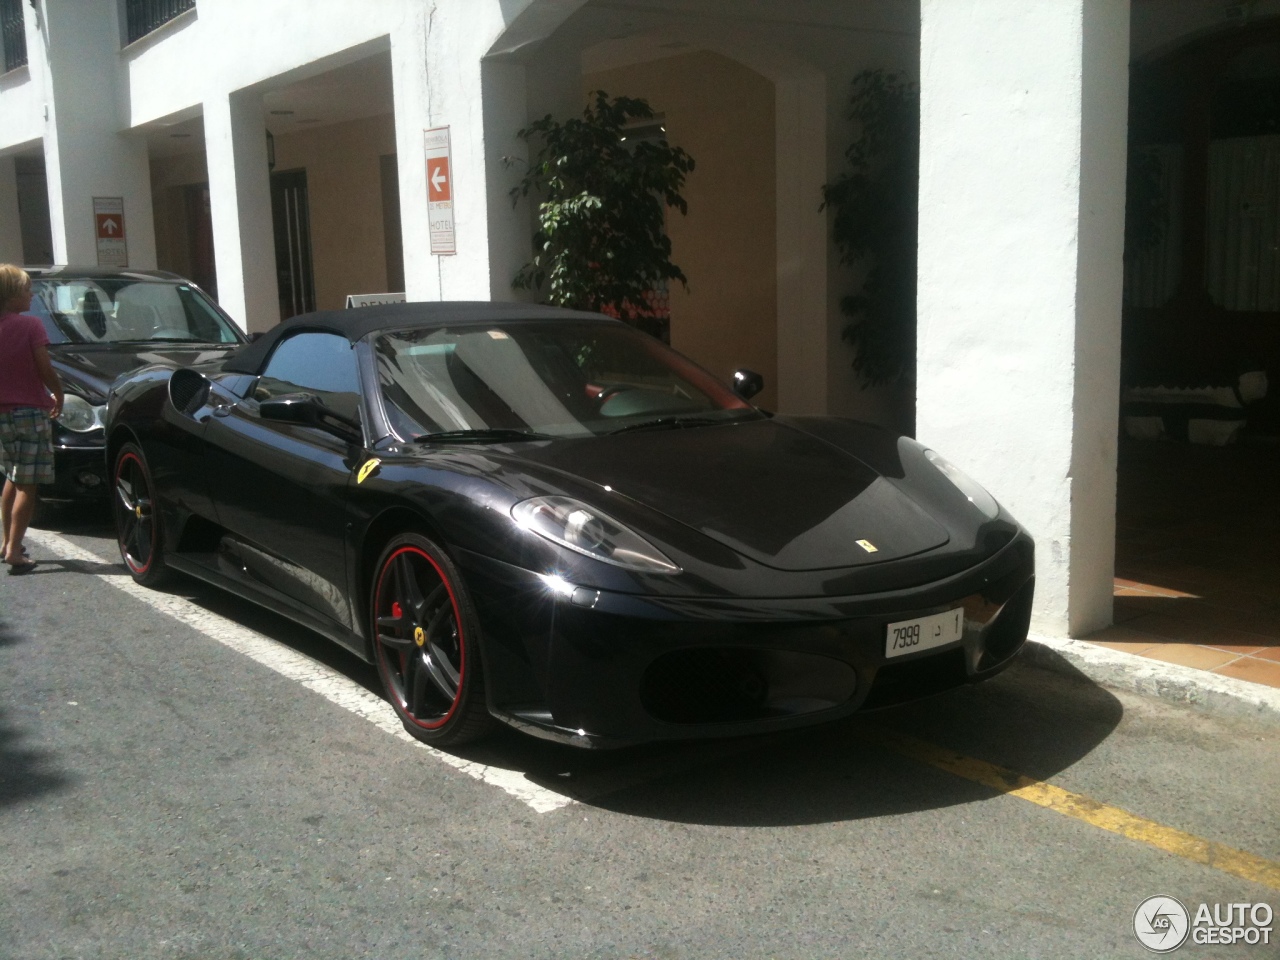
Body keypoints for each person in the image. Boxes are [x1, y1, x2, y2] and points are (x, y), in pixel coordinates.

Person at [0, 264, 63, 574]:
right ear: (12, 296)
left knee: (12, 474)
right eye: (26, 290)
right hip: (29, 411)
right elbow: (44, 367)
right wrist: (58, 393)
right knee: (29, 483)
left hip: (1, 415)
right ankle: (15, 549)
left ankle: (5, 540)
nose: (31, 294)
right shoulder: (31, 326)